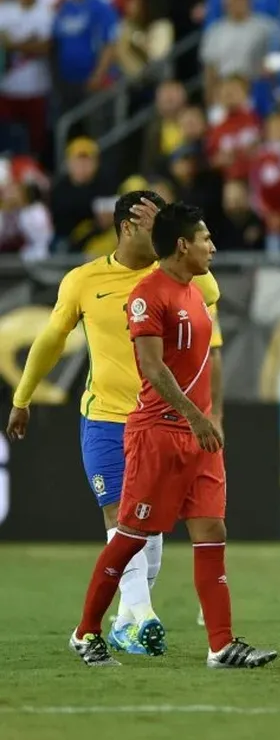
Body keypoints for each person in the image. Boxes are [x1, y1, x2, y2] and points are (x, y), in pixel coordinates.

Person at [6, 190, 224, 657]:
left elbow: (211, 320)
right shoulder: (84, 280)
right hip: (105, 419)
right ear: (127, 227)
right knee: (121, 518)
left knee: (149, 531)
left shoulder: (177, 278)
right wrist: (22, 398)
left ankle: (125, 621)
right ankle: (143, 616)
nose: (163, 233)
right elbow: (51, 339)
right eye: (153, 225)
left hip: (164, 423)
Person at [69, 202, 276, 669]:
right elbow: (151, 367)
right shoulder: (147, 295)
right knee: (131, 537)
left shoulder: (195, 292)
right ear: (183, 245)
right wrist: (195, 416)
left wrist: (206, 417)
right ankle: (85, 633)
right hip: (158, 432)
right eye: (205, 239)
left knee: (212, 530)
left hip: (197, 435)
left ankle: (220, 645)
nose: (213, 247)